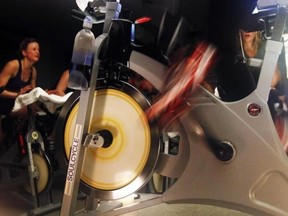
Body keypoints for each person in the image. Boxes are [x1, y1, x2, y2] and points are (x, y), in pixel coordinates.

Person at [0, 38, 40, 145]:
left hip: (16, 105)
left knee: (35, 111)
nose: (37, 52)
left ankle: (19, 139)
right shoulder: (13, 65)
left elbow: (33, 95)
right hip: (4, 102)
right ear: (24, 52)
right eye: (34, 49)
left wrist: (44, 94)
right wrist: (16, 95)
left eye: (38, 50)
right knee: (30, 112)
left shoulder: (33, 71)